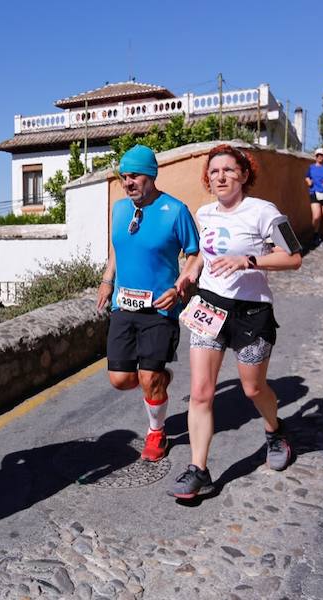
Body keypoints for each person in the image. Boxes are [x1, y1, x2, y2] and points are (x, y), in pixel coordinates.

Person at [169, 144, 302, 500]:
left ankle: (275, 430)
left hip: (251, 313)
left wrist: (249, 261)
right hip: (210, 308)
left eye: (229, 170)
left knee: (253, 389)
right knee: (200, 392)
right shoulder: (205, 213)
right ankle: (199, 470)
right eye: (214, 172)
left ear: (244, 174)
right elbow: (202, 257)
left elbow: (294, 257)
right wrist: (188, 275)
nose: (221, 176)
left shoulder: (264, 212)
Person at [96, 144, 201, 462]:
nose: (128, 182)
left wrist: (181, 285)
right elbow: (118, 248)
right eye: (124, 176)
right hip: (122, 306)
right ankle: (161, 379)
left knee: (148, 378)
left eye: (135, 176)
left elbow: (194, 253)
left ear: (151, 176)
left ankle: (157, 432)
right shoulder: (120, 209)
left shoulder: (176, 210)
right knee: (120, 379)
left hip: (160, 308)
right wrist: (106, 279)